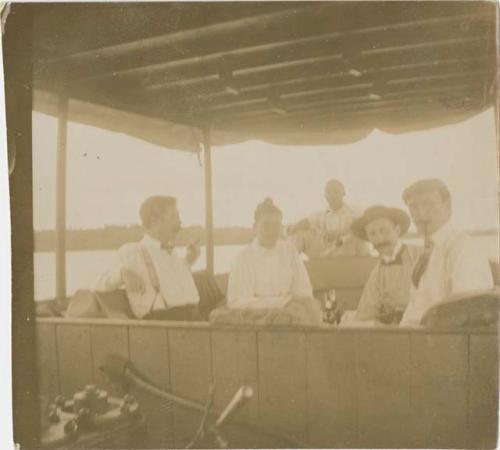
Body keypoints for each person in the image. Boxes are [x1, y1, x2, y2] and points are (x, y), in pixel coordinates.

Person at [211, 198, 322, 325]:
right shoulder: (243, 257)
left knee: (307, 311)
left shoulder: (289, 250)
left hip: (288, 313)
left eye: (276, 226)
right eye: (266, 225)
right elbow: (236, 302)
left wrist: (294, 303)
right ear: (255, 228)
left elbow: (303, 290)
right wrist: (282, 302)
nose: (271, 231)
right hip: (254, 317)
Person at [399, 179, 494, 326]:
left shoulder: (464, 248)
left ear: (447, 206)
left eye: (428, 203)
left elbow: (468, 314)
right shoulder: (425, 254)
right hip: (411, 338)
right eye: (413, 206)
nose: (420, 213)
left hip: (438, 343)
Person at [95, 196, 201, 319]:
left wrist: (188, 261)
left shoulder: (171, 252)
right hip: (165, 327)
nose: (180, 222)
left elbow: (173, 286)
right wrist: (122, 273)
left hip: (194, 319)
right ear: (154, 221)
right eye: (174, 217)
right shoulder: (133, 251)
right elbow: (96, 284)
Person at [350, 205, 422, 324]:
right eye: (372, 234)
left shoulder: (420, 256)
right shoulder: (377, 273)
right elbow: (366, 311)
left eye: (383, 230)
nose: (379, 239)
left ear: (397, 230)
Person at [287, 179, 369, 257]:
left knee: (358, 236)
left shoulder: (354, 211)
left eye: (335, 191)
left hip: (347, 248)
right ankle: (289, 261)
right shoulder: (321, 214)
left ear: (343, 193)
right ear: (325, 195)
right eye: (328, 192)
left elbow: (363, 229)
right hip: (327, 248)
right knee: (299, 231)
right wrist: (293, 228)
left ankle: (363, 263)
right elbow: (305, 222)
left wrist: (340, 238)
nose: (332, 195)